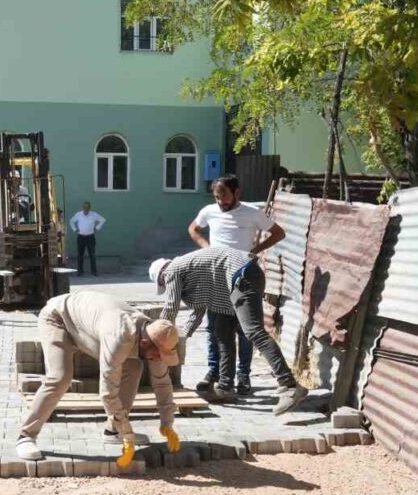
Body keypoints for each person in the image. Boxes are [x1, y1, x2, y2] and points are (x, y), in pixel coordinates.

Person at [16, 290, 183, 467]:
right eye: (158, 355)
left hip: (87, 324)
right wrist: (127, 432)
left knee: (134, 366)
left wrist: (167, 424)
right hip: (58, 318)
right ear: (144, 343)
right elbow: (107, 392)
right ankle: (25, 436)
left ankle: (113, 431)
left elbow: (162, 382)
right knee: (60, 377)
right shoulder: (119, 337)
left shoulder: (155, 337)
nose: (159, 359)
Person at [151, 249, 308, 415]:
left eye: (163, 284)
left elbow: (171, 307)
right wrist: (182, 337)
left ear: (162, 275)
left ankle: (289, 386)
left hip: (243, 276)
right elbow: (198, 310)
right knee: (222, 332)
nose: (166, 285)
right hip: (239, 278)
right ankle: (225, 387)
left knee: (254, 332)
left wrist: (157, 336)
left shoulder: (172, 271)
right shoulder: (188, 270)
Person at [188, 175, 286, 394]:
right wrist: (207, 248)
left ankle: (243, 375)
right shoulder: (209, 211)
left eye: (224, 197)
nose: (221, 202)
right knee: (216, 328)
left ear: (237, 193)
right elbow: (193, 229)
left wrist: (256, 251)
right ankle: (216, 372)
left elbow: (279, 233)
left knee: (246, 329)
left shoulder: (252, 213)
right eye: (217, 197)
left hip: (245, 275)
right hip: (217, 276)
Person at [69, 201, 106, 277]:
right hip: (81, 237)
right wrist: (75, 229)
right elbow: (71, 221)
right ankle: (80, 272)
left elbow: (103, 220)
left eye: (87, 207)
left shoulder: (94, 214)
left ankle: (94, 272)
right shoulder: (78, 214)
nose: (86, 208)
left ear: (89, 208)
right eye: (84, 207)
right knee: (80, 255)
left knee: (92, 255)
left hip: (90, 237)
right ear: (82, 207)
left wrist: (97, 228)